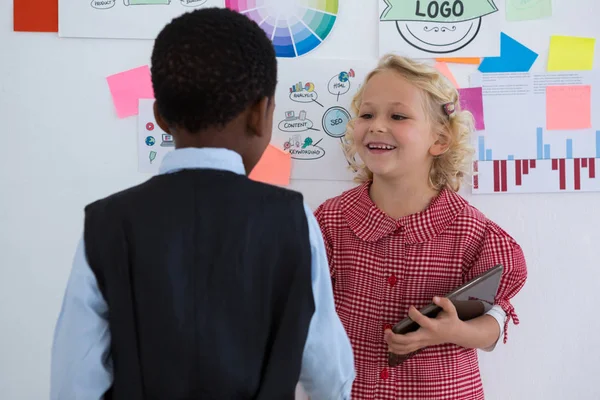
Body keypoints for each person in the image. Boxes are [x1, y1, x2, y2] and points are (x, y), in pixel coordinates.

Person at [50, 8, 355, 400]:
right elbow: (328, 370)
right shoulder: (292, 219)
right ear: (261, 114)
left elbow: (74, 380)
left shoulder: (107, 223)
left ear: (160, 116)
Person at [314, 54, 528, 400]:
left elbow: (496, 322)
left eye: (397, 116)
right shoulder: (331, 221)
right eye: (367, 114)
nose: (376, 125)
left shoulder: (473, 233)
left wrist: (454, 331)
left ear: (440, 140)